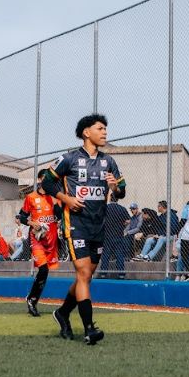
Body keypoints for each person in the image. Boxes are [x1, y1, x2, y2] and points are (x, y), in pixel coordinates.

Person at [43, 114, 126, 345]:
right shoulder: (69, 158)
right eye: (100, 128)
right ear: (86, 133)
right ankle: (89, 329)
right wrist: (66, 199)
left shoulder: (109, 161)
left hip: (98, 227)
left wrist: (115, 188)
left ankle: (62, 313)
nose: (105, 132)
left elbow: (122, 191)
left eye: (106, 129)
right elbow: (46, 182)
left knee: (86, 277)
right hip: (75, 225)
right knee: (83, 274)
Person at [19, 169, 63, 316]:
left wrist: (56, 202)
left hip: (51, 241)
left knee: (45, 272)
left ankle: (32, 298)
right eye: (44, 178)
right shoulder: (30, 197)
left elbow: (59, 216)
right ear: (39, 180)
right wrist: (32, 223)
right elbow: (21, 217)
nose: (47, 181)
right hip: (37, 240)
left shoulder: (54, 197)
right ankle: (32, 300)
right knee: (43, 270)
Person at [99, 194, 130, 279]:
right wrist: (122, 225)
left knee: (106, 254)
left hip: (107, 234)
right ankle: (121, 273)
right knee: (119, 254)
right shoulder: (122, 209)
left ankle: (103, 273)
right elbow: (128, 221)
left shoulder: (105, 208)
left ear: (110, 198)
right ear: (118, 199)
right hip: (118, 234)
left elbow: (99, 219)